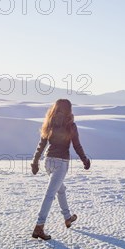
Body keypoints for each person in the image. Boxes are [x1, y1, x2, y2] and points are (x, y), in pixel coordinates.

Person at [30, 99, 91, 240]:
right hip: (61, 162)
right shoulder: (70, 125)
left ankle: (67, 217)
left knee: (60, 189)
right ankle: (39, 226)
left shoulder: (49, 123)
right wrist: (85, 160)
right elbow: (76, 145)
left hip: (48, 162)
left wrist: (35, 162)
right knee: (50, 194)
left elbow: (41, 144)